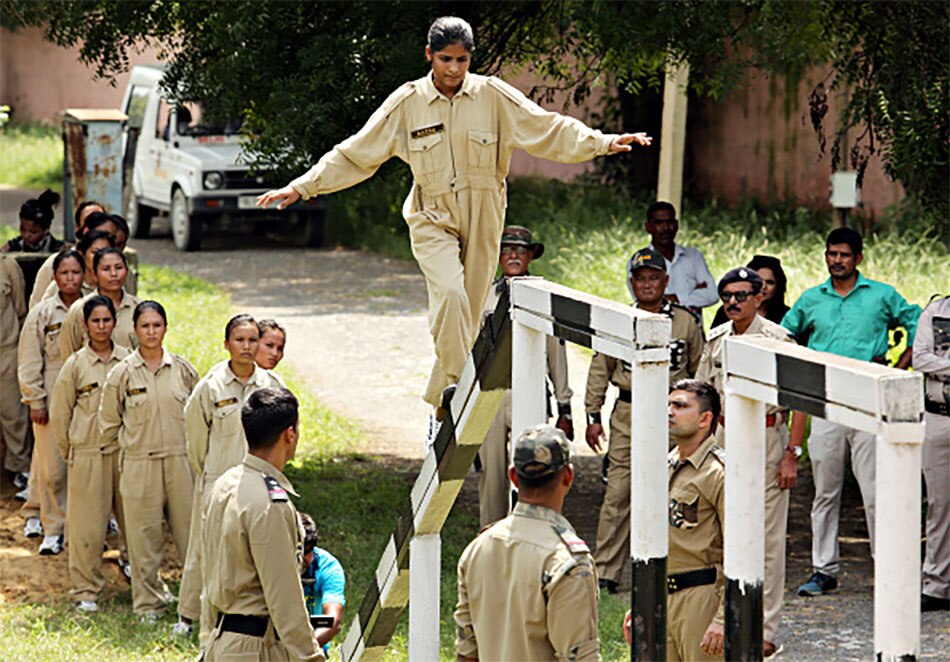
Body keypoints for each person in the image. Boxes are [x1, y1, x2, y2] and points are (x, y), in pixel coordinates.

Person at [258, 16, 651, 442]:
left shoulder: (493, 95)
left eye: (462, 60)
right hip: (432, 216)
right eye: (445, 59)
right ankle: (455, 392)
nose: (454, 69)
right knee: (449, 294)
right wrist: (303, 186)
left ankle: (440, 399)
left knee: (471, 311)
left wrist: (602, 141)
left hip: (485, 214)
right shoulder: (408, 102)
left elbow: (546, 127)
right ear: (429, 55)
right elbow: (356, 153)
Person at [781, 227, 922, 596]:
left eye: (844, 254)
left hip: (870, 398)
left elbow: (917, 322)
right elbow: (784, 336)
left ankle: (887, 567)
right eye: (831, 254)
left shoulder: (881, 295)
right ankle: (823, 570)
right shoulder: (812, 299)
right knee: (825, 491)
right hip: (826, 402)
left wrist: (900, 367)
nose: (837, 260)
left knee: (875, 490)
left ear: (858, 257)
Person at [696, 267, 805, 655]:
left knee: (768, 538)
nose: (733, 302)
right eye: (727, 295)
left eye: (742, 295)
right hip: (725, 435)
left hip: (767, 436)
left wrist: (792, 453)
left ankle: (765, 628)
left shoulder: (778, 339)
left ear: (760, 298)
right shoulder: (717, 339)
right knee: (720, 528)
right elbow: (702, 395)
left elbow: (797, 400)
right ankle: (724, 618)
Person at [585, 247, 704, 592]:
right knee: (618, 493)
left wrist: (700, 419)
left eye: (654, 278)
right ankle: (606, 572)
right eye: (640, 279)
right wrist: (592, 415)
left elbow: (698, 369)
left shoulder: (684, 321)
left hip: (673, 415)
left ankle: (673, 568)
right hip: (628, 413)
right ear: (632, 283)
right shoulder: (617, 318)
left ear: (666, 281)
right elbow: (599, 369)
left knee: (676, 490)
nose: (648, 285)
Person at [176, 315, 285, 636]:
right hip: (217, 480)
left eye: (253, 340)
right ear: (226, 344)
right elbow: (195, 439)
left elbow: (282, 433)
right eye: (239, 340)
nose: (247, 346)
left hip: (259, 482)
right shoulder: (210, 386)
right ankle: (189, 615)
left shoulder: (271, 386)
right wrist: (209, 474)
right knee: (205, 547)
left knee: (257, 547)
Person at [455, 424, 600, 661]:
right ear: (568, 476)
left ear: (513, 476)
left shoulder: (478, 549)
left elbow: (466, 653)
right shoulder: (567, 562)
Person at [200, 387, 324, 661]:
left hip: (221, 642)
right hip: (257, 648)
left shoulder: (224, 485)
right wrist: (311, 657)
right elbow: (284, 597)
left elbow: (207, 569)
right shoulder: (271, 504)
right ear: (289, 434)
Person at [98, 300, 199, 620]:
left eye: (157, 325)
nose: (151, 332)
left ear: (165, 328)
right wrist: (130, 454)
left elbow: (199, 416)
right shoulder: (122, 373)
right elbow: (109, 423)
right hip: (139, 464)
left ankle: (196, 604)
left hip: (180, 462)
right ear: (135, 330)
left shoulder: (182, 369)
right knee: (143, 540)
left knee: (192, 538)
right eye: (145, 326)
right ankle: (147, 604)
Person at [476, 225, 573, 526]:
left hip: (528, 390)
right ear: (498, 255)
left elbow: (556, 354)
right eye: (507, 249)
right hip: (490, 393)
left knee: (534, 463)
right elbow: (471, 350)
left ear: (531, 255)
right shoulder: (484, 297)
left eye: (521, 249)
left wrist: (564, 407)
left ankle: (532, 531)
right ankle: (490, 539)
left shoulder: (543, 298)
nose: (514, 254)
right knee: (491, 474)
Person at [50, 295, 131, 611]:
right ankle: (85, 591)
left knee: (136, 523)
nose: (101, 326)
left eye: (107, 320)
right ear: (85, 325)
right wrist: (71, 451)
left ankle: (142, 582)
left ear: (115, 323)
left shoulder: (127, 360)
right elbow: (60, 414)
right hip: (87, 453)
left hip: (124, 453)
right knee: (86, 526)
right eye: (95, 321)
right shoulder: (75, 365)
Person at [17, 250, 85, 553]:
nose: (70, 279)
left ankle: (81, 528)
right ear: (54, 277)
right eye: (64, 273)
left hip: (86, 393)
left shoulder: (93, 307)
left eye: (76, 273)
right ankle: (53, 528)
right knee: (52, 466)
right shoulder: (42, 313)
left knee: (84, 465)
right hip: (51, 389)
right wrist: (35, 400)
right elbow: (30, 359)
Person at [666, 379, 725, 660]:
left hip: (700, 598)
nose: (670, 411)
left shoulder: (719, 474)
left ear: (705, 419)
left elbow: (740, 550)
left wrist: (723, 618)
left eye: (679, 406)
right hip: (662, 593)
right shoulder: (666, 463)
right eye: (668, 404)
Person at [913, 296, 950, 612]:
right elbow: (920, 359)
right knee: (940, 504)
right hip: (939, 417)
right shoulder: (935, 312)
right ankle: (936, 585)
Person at [60, 247, 141, 357]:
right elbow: (69, 353)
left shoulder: (139, 309)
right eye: (106, 269)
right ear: (94, 274)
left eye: (119, 268)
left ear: (126, 271)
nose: (113, 274)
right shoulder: (80, 309)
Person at [28, 200, 106, 309]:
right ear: (78, 228)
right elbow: (36, 309)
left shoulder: (116, 267)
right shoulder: (55, 263)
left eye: (100, 223)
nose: (95, 229)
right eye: (89, 224)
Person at [642, 201, 717, 310]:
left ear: (676, 225)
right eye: (659, 223)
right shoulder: (641, 261)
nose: (666, 228)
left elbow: (712, 294)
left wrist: (677, 298)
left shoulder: (694, 256)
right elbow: (646, 302)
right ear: (648, 227)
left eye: (670, 222)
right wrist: (694, 294)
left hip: (691, 326)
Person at [1, 255, 32, 496]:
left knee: (14, 413)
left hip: (6, 350)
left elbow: (20, 307)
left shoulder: (7, 266)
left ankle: (21, 467)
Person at [299, 512, 346, 655]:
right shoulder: (269, 564)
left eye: (307, 552)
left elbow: (333, 621)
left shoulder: (328, 567)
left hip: (312, 650)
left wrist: (303, 653)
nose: (301, 560)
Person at [710, 255, 789, 327]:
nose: (763, 286)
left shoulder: (787, 316)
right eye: (759, 281)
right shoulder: (730, 309)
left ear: (779, 287)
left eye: (770, 282)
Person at [1, 189, 64, 253]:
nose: (26, 235)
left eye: (33, 232)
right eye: (23, 229)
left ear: (46, 230)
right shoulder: (13, 246)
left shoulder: (57, 248)